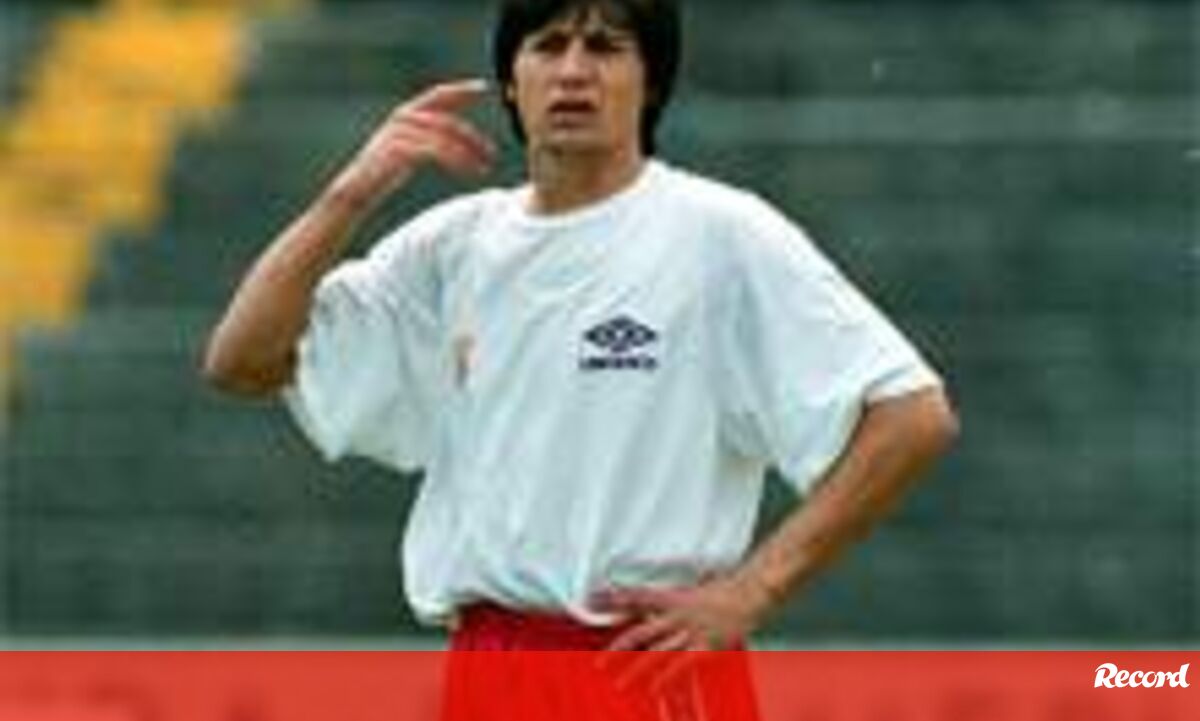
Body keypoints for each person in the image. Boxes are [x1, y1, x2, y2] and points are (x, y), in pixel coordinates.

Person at [203, 0, 958, 717]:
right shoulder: (453, 246)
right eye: (548, 46)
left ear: (651, 80)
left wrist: (752, 591)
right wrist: (352, 190)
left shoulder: (719, 235)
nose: (572, 71)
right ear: (511, 79)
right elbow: (242, 362)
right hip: (489, 667)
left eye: (604, 47)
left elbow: (913, 415)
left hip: (647, 667)